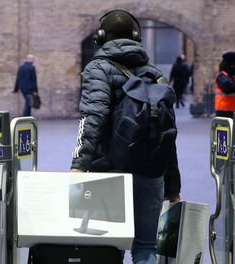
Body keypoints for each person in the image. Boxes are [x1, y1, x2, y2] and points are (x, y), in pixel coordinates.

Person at [70, 9, 181, 264]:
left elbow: (91, 118)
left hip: (109, 172)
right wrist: (172, 187)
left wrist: (79, 164)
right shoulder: (155, 74)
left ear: (100, 37)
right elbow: (169, 135)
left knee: (106, 248)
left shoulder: (97, 68)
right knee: (145, 249)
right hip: (152, 173)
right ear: (136, 37)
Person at [214, 52, 235, 118]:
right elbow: (228, 88)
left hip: (233, 112)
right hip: (224, 113)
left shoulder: (232, 76)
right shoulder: (222, 76)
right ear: (231, 65)